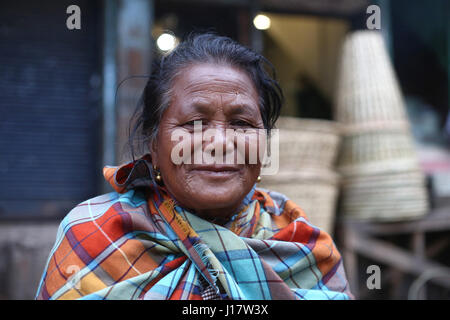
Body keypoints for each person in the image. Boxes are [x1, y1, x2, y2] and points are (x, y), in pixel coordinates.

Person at [36, 33, 353, 300]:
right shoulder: (94, 234)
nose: (219, 142)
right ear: (154, 145)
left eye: (241, 123)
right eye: (194, 123)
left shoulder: (298, 242)